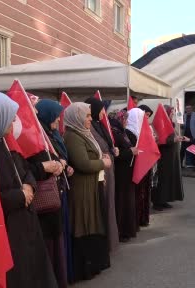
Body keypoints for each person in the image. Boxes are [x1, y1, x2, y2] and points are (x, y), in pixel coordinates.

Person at [0, 91, 58, 287]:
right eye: (9, 115)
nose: (14, 120)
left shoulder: (4, 141)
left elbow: (25, 170)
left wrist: (28, 186)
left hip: (25, 225)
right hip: (7, 230)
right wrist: (19, 195)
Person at [27, 99, 74, 288]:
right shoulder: (35, 136)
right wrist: (49, 166)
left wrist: (62, 164)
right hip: (45, 200)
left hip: (57, 194)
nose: (57, 120)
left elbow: (57, 156)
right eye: (55, 116)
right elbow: (29, 166)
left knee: (58, 240)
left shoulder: (50, 134)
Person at [63, 102, 111, 281]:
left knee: (92, 221)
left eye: (91, 115)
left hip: (91, 185)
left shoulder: (83, 133)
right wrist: (103, 163)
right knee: (84, 223)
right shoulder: (73, 136)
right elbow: (82, 163)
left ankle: (93, 264)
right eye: (87, 115)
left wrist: (100, 160)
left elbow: (91, 156)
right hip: (82, 189)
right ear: (77, 117)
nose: (90, 119)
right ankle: (84, 268)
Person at [85, 97, 120, 251]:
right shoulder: (89, 128)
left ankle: (110, 240)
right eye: (101, 110)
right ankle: (105, 242)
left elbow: (107, 144)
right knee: (104, 203)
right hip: (101, 170)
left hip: (107, 168)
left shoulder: (99, 125)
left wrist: (113, 149)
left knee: (109, 203)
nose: (103, 113)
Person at [110, 110, 139, 242]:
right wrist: (130, 151)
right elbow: (116, 154)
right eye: (125, 119)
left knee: (127, 201)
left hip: (127, 172)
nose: (127, 122)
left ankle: (127, 229)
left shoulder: (122, 131)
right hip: (120, 173)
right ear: (120, 119)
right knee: (121, 201)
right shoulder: (114, 132)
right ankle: (121, 231)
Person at [152, 105, 186, 211]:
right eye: (171, 112)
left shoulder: (171, 124)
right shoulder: (160, 124)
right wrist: (174, 140)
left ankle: (164, 199)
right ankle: (157, 202)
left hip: (172, 157)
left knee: (169, 179)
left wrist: (178, 137)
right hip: (164, 158)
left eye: (173, 112)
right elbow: (160, 141)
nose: (172, 114)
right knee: (162, 180)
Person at [125, 108, 152, 225]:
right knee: (136, 196)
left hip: (143, 168)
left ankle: (142, 218)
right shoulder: (128, 133)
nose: (144, 120)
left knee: (143, 194)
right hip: (134, 169)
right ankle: (136, 220)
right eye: (142, 117)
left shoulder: (140, 130)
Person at [181, 105, 195, 169]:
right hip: (185, 136)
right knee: (182, 151)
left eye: (189, 108)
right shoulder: (184, 115)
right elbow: (183, 125)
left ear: (192, 109)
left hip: (193, 136)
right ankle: (180, 165)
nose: (188, 110)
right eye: (186, 108)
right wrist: (182, 126)